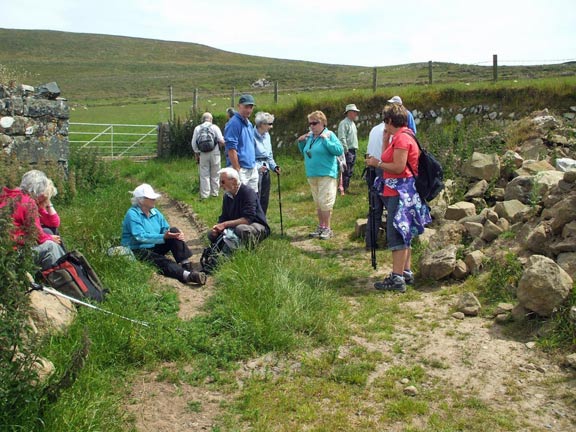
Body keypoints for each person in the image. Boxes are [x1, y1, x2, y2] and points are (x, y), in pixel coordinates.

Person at [365, 104, 431, 292]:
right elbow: (390, 159)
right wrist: (386, 140)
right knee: (404, 231)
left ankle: (397, 278)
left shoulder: (402, 139)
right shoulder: (402, 136)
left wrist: (375, 162)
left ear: (390, 120)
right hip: (400, 191)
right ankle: (405, 272)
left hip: (400, 192)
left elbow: (398, 167)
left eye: (385, 120)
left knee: (397, 233)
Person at [121, 183, 206, 285]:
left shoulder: (155, 211)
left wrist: (175, 234)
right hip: (138, 249)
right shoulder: (132, 214)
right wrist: (164, 236)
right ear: (141, 200)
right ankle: (188, 275)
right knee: (161, 261)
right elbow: (140, 237)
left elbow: (165, 228)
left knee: (174, 231)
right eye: (151, 198)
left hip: (154, 245)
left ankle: (186, 265)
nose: (154, 200)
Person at [0, 170, 65, 270]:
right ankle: (62, 276)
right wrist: (49, 238)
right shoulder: (28, 202)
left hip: (6, 248)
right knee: (51, 247)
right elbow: (37, 235)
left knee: (48, 232)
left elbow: (53, 223)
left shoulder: (7, 196)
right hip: (13, 254)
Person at [297, 110, 344, 240]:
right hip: (312, 174)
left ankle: (328, 228)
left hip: (326, 173)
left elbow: (339, 150)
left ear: (323, 123)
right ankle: (321, 226)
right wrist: (301, 142)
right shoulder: (310, 136)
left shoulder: (329, 135)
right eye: (310, 123)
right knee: (318, 202)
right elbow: (306, 151)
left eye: (315, 123)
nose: (312, 126)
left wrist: (326, 142)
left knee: (325, 201)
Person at [208, 167, 270, 246]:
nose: (220, 185)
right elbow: (224, 217)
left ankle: (249, 248)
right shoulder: (227, 196)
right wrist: (217, 227)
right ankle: (225, 249)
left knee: (241, 229)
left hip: (255, 224)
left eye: (222, 182)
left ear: (233, 181)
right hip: (236, 225)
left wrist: (224, 224)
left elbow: (248, 219)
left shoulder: (248, 192)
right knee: (211, 234)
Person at [224, 94, 258, 193]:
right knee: (239, 200)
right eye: (246, 107)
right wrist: (237, 169)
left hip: (251, 167)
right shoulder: (234, 123)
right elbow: (231, 148)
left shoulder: (249, 124)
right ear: (239, 106)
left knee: (252, 199)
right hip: (241, 168)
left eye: (251, 107)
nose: (249, 110)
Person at [191, 112, 225, 199]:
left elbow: (194, 143)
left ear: (202, 119)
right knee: (215, 174)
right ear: (211, 119)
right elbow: (221, 140)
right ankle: (214, 193)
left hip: (203, 154)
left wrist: (197, 152)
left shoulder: (197, 128)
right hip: (215, 153)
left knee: (204, 174)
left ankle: (205, 195)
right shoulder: (214, 127)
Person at [364, 116, 386, 249]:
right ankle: (394, 242)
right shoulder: (390, 131)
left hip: (372, 169)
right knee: (392, 207)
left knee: (374, 209)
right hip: (384, 169)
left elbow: (368, 154)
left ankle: (370, 242)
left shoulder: (374, 129)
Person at [254, 111, 280, 215]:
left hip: (266, 169)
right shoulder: (251, 135)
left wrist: (274, 167)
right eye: (269, 124)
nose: (271, 126)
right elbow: (249, 156)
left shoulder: (267, 136)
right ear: (261, 124)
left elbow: (269, 155)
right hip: (255, 169)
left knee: (264, 197)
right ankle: (254, 221)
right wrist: (257, 168)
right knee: (256, 196)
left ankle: (262, 221)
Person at [338, 103, 360, 193]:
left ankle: (346, 187)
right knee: (346, 170)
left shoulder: (352, 124)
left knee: (350, 170)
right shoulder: (343, 123)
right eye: (354, 112)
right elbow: (342, 137)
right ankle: (343, 188)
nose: (356, 114)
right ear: (349, 112)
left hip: (353, 149)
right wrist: (345, 149)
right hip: (348, 150)